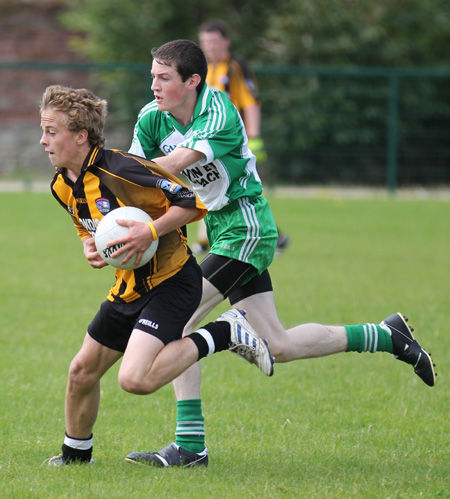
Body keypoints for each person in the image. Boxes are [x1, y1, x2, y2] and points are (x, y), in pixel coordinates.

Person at [114, 40, 436, 468]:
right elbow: (136, 175)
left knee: (180, 321)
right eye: (152, 75)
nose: (152, 84)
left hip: (246, 226)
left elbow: (170, 164)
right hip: (219, 227)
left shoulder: (219, 111)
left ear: (192, 81)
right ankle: (386, 335)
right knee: (278, 345)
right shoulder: (152, 117)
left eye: (163, 77)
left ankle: (190, 446)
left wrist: (113, 174)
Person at [39, 84, 274, 467]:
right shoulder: (62, 184)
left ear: (80, 136)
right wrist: (91, 244)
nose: (43, 140)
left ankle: (227, 331)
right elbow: (88, 226)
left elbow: (190, 203)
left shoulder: (122, 169)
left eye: (52, 132)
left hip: (171, 282)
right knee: (82, 370)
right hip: (129, 287)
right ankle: (76, 455)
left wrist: (149, 231)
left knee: (136, 380)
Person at [193, 19, 289, 255]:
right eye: (205, 42)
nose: (210, 47)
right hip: (209, 139)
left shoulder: (235, 67)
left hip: (231, 141)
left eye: (214, 41)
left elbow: (250, 101)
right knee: (210, 184)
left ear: (226, 42)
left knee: (240, 189)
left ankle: (270, 236)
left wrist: (254, 136)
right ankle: (208, 239)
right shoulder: (201, 69)